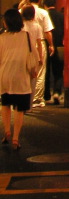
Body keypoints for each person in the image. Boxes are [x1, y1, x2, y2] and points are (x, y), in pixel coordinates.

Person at [0, 8, 36, 150]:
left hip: (5, 75)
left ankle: (7, 131)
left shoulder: (2, 38)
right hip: (21, 75)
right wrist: (34, 70)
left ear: (7, 22)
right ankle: (15, 138)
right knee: (19, 108)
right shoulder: (26, 36)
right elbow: (33, 54)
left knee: (5, 104)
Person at [24, 0, 54, 109]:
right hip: (39, 43)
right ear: (40, 0)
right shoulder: (43, 13)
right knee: (40, 71)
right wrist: (51, 45)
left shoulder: (21, 11)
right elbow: (47, 31)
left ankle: (25, 96)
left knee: (25, 71)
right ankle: (36, 98)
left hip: (23, 44)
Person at [42, 0, 64, 105]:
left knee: (45, 71)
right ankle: (57, 92)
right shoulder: (61, 16)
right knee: (58, 71)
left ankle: (46, 94)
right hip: (59, 46)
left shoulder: (43, 15)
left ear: (44, 4)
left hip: (45, 45)